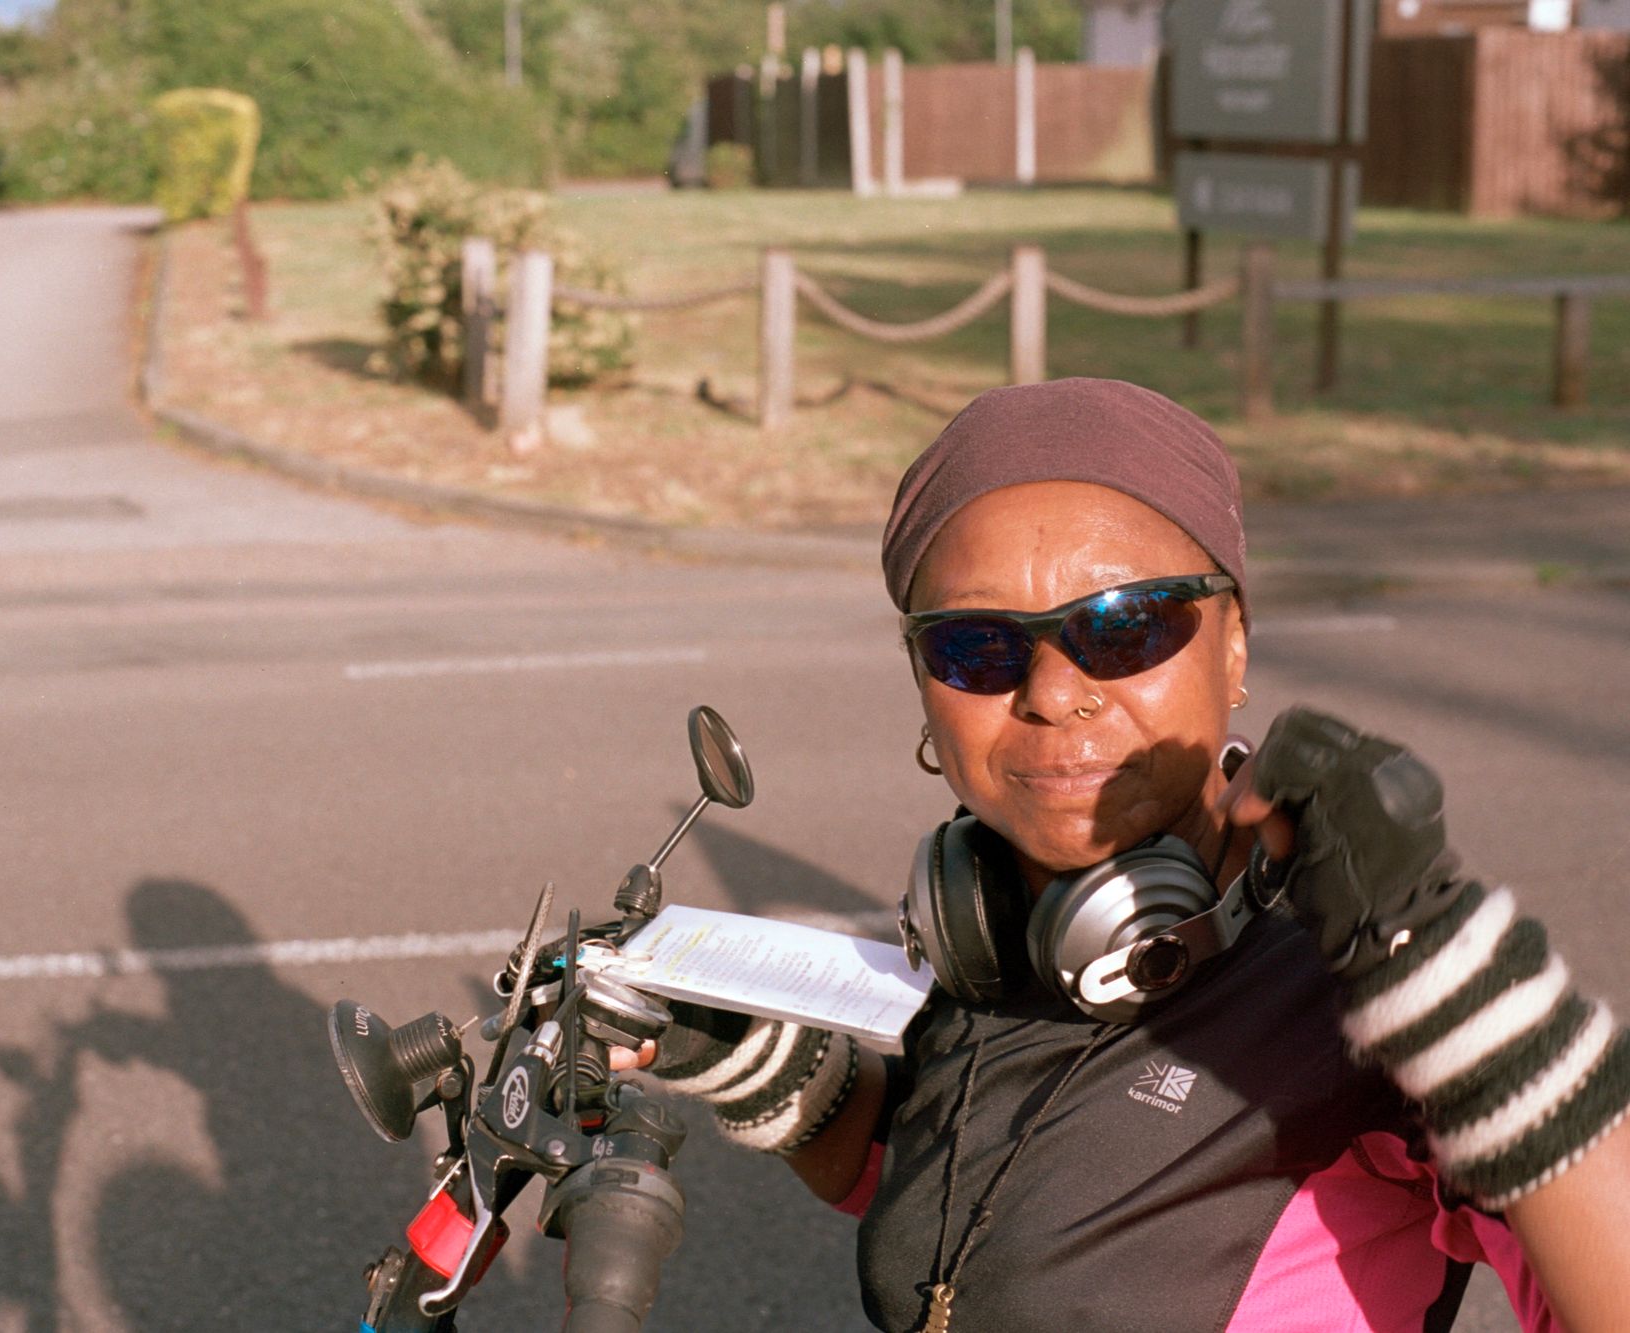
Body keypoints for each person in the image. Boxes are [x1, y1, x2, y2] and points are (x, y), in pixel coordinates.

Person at [634, 379, 1630, 1331]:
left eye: (1125, 627)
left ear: (1232, 642)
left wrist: (1444, 963)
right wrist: (787, 1081)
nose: (1053, 692)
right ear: (921, 685)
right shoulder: (993, 929)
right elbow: (989, 1198)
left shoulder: (1363, 994)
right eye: (976, 647)